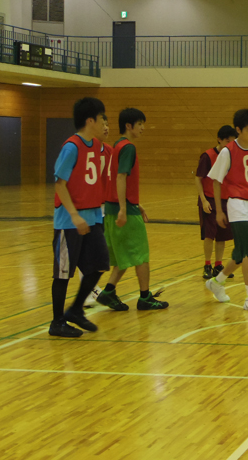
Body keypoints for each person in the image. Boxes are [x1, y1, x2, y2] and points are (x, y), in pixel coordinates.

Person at [97, 108, 169, 311]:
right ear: (129, 126)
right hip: (123, 209)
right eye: (140, 124)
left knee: (125, 254)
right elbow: (121, 177)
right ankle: (145, 297)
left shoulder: (116, 146)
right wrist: (124, 208)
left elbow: (117, 180)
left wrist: (134, 203)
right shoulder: (128, 147)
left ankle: (108, 292)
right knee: (141, 255)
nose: (143, 128)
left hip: (113, 207)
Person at [49, 97, 110, 337]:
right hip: (69, 220)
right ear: (90, 120)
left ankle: (75, 309)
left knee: (100, 263)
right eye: (102, 118)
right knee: (63, 273)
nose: (105, 123)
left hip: (92, 217)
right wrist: (74, 215)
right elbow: (59, 184)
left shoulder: (95, 145)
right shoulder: (71, 147)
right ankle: (57, 322)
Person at [205, 109, 248, 312]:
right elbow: (216, 181)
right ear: (238, 130)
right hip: (236, 204)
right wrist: (219, 211)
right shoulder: (228, 151)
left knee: (240, 253)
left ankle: (217, 282)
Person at [196, 125, 238, 280]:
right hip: (210, 200)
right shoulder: (208, 156)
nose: (230, 145)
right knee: (209, 235)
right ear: (219, 139)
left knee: (222, 235)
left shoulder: (232, 156)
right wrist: (203, 200)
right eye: (227, 141)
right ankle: (207, 264)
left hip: (225, 200)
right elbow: (198, 179)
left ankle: (218, 265)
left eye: (232, 142)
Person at [83, 114, 111, 309]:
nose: (106, 127)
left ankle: (91, 287)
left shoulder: (109, 151)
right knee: (87, 250)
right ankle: (86, 292)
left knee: (100, 251)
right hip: (88, 207)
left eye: (108, 124)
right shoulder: (84, 150)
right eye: (103, 124)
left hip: (104, 206)